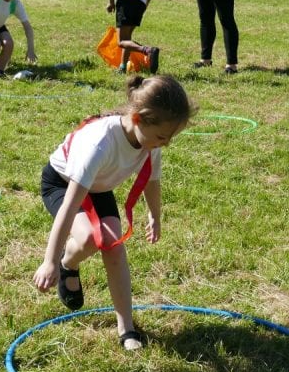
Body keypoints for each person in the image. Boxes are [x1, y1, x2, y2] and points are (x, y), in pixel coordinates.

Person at [33, 75, 196, 350]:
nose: (165, 144)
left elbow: (152, 181)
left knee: (114, 246)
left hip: (97, 186)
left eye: (170, 138)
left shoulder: (151, 142)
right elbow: (71, 205)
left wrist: (155, 216)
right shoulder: (99, 145)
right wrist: (49, 261)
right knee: (87, 238)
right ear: (137, 118)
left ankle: (127, 329)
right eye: (161, 137)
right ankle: (64, 264)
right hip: (62, 183)